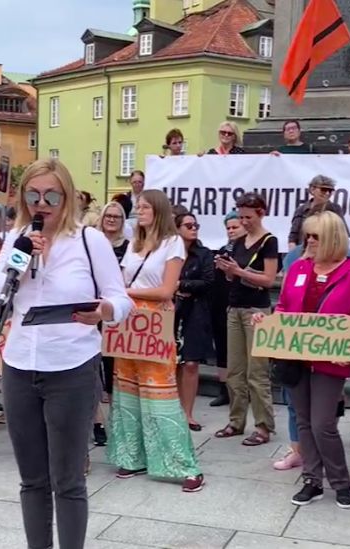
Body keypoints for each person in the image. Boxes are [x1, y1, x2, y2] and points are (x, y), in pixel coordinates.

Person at [0, 158, 132, 549]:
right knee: (32, 479)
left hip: (71, 367)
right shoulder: (17, 238)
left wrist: (102, 311)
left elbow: (121, 299)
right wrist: (18, 254)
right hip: (19, 368)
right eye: (34, 195)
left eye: (52, 195)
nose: (42, 203)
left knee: (67, 480)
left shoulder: (88, 240)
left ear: (66, 197)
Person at [259, 211, 350, 510]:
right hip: (296, 358)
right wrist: (270, 322)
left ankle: (340, 482)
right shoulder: (297, 269)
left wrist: (345, 346)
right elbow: (283, 307)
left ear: (333, 238)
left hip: (329, 362)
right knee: (304, 421)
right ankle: (312, 480)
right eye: (308, 235)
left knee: (323, 424)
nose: (309, 241)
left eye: (316, 236)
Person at [108, 189, 204, 492]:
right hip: (127, 321)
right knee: (127, 390)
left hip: (154, 322)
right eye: (138, 207)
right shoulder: (135, 243)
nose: (140, 211)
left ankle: (183, 463)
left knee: (160, 391)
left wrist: (126, 293)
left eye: (145, 206)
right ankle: (132, 455)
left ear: (158, 210)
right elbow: (121, 280)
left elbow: (166, 290)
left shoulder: (172, 242)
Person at [214, 192, 278, 445]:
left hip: (257, 311)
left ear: (261, 213)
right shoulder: (239, 241)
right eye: (241, 217)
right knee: (235, 370)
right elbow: (235, 277)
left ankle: (263, 426)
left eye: (248, 217)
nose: (244, 221)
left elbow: (269, 280)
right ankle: (236, 420)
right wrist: (228, 272)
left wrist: (239, 271)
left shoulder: (268, 241)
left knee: (257, 372)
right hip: (235, 307)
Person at [94, 200, 132, 443]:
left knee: (114, 371)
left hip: (117, 314)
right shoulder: (92, 244)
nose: (111, 219)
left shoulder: (129, 247)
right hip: (93, 311)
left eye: (116, 216)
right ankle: (97, 422)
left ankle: (118, 422)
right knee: (93, 371)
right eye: (108, 215)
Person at [174, 212, 214, 431]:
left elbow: (208, 282)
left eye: (195, 225)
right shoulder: (169, 253)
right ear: (177, 228)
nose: (193, 228)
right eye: (188, 225)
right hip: (172, 311)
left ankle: (188, 413)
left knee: (191, 363)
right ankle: (172, 409)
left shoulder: (204, 254)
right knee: (172, 362)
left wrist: (181, 285)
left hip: (196, 312)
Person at [209, 211, 246, 407]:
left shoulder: (250, 250)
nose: (231, 231)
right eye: (228, 228)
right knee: (222, 349)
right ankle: (224, 390)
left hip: (242, 304)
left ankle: (241, 391)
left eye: (235, 227)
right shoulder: (223, 250)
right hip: (220, 305)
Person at [288, 175, 347, 250]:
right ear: (312, 189)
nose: (327, 193)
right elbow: (293, 236)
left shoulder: (335, 209)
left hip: (328, 253)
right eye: (323, 189)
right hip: (304, 252)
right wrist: (295, 255)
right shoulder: (301, 210)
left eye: (330, 191)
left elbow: (344, 234)